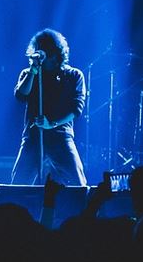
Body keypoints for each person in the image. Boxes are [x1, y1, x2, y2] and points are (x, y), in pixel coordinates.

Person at [10, 28, 87, 186]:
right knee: (18, 183)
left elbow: (76, 109)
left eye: (45, 50)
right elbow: (20, 95)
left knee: (78, 183)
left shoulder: (73, 76)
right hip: (33, 136)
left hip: (60, 136)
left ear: (55, 54)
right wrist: (33, 71)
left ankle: (81, 209)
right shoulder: (29, 74)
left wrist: (51, 123)